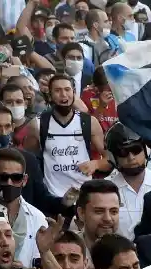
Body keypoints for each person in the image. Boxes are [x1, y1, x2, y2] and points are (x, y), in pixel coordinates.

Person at [26, 73, 105, 217]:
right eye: (58, 90)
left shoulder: (89, 122)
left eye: (67, 89)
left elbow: (109, 159)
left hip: (84, 199)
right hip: (52, 200)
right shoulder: (37, 125)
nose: (64, 94)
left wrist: (96, 164)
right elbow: (29, 161)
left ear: (74, 93)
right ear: (50, 96)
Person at [103, 124, 151, 241]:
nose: (131, 158)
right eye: (123, 153)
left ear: (145, 150)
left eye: (136, 150)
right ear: (113, 157)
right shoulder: (105, 189)